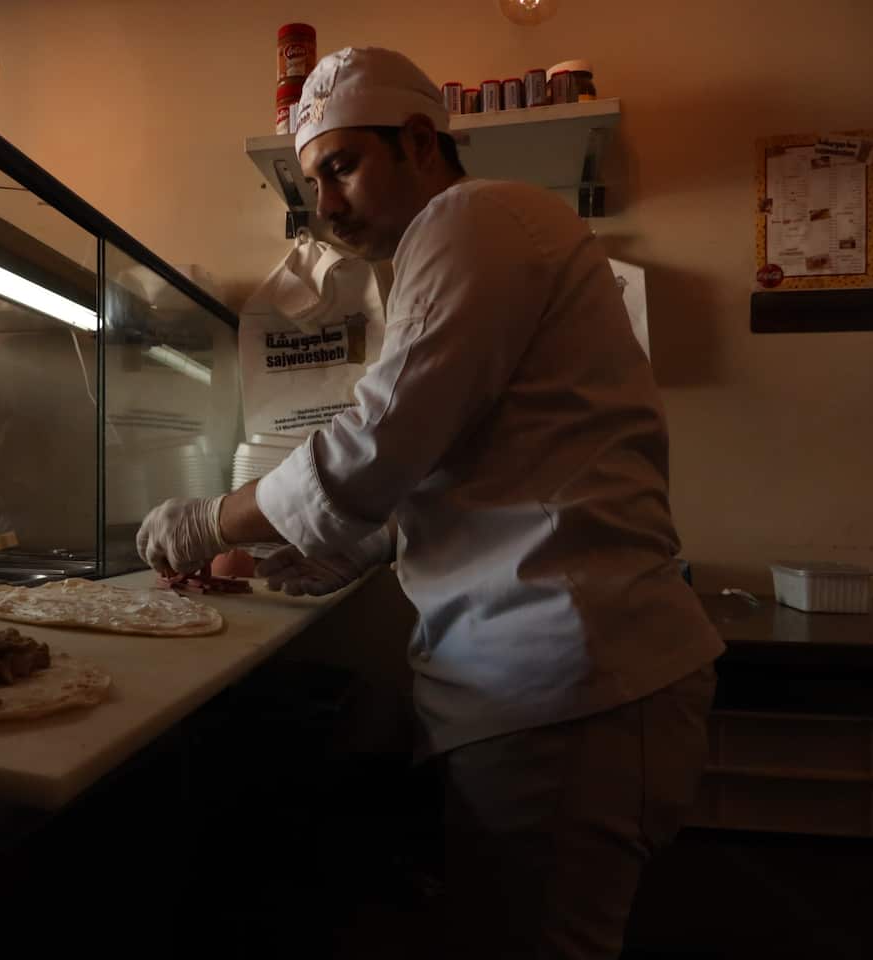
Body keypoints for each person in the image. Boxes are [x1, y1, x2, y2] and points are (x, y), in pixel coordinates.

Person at [136, 46, 724, 959]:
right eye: (313, 180)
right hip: (559, 682)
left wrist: (211, 519)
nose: (326, 205)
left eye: (342, 167)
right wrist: (342, 549)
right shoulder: (459, 245)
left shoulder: (475, 218)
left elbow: (373, 444)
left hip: (566, 676)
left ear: (418, 141)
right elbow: (459, 463)